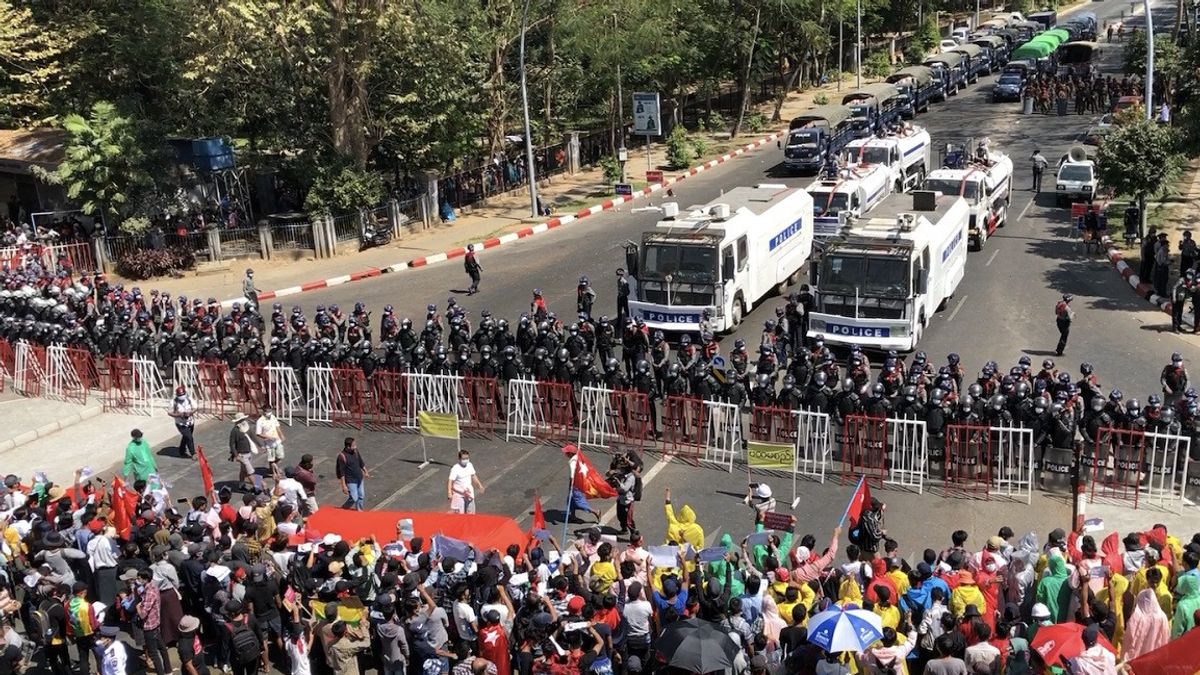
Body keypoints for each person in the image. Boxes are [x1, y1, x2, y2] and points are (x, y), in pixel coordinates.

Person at [336, 437, 369, 510]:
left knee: (361, 496)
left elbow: (361, 462)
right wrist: (344, 486)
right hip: (351, 480)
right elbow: (342, 473)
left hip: (359, 478)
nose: (355, 446)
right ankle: (343, 509)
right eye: (353, 445)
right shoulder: (342, 457)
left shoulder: (356, 451)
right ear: (348, 446)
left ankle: (359, 511)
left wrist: (365, 471)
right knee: (354, 498)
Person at [228, 413, 259, 491]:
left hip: (248, 453)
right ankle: (259, 487)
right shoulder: (234, 431)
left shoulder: (247, 428)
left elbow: (253, 437)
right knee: (250, 472)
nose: (243, 421)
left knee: (243, 470)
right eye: (241, 420)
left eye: (243, 419)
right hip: (242, 455)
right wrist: (236, 455)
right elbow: (232, 444)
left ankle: (241, 485)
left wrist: (261, 445)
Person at [447, 450, 484, 514]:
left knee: (471, 513)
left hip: (469, 493)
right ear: (459, 459)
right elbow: (450, 481)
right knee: (460, 515)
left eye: (467, 458)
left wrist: (479, 486)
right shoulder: (455, 468)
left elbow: (473, 476)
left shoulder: (470, 465)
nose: (466, 460)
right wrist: (449, 493)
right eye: (463, 458)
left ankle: (470, 524)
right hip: (459, 494)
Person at [255, 406, 286, 482]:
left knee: (280, 456)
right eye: (267, 411)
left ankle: (274, 466)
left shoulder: (273, 417)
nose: (269, 412)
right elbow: (258, 433)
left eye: (270, 411)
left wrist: (281, 435)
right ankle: (274, 472)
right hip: (269, 443)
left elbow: (277, 427)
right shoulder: (260, 421)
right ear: (264, 411)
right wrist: (268, 437)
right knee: (271, 459)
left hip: (277, 440)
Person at [169, 386, 197, 459]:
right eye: (180, 395)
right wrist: (179, 415)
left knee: (186, 437)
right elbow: (170, 413)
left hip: (190, 422)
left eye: (183, 394)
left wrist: (190, 413)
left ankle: (181, 450)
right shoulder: (173, 402)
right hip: (180, 423)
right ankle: (193, 453)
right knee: (189, 437)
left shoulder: (189, 399)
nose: (182, 397)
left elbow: (195, 408)